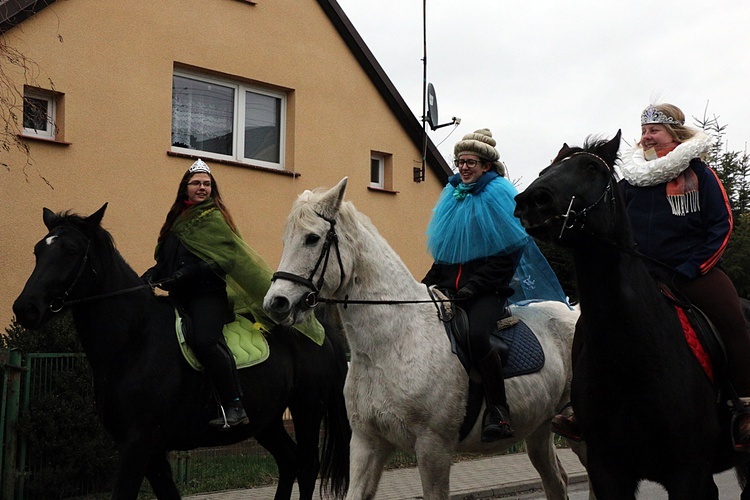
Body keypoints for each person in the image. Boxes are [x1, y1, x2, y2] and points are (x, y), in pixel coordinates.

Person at [552, 103, 750, 451]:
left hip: (692, 272)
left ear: (674, 135)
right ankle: (580, 410)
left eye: (654, 130)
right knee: (587, 325)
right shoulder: (630, 182)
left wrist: (695, 267)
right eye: (643, 130)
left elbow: (722, 226)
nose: (645, 136)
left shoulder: (701, 175)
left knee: (733, 320)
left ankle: (744, 408)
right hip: (640, 276)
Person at [142, 159, 326, 429]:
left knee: (204, 341)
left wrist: (191, 272)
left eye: (206, 184)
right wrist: (152, 274)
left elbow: (226, 259)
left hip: (208, 297)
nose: (201, 188)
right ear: (185, 188)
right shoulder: (176, 222)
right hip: (179, 297)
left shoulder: (213, 218)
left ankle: (234, 404)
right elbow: (169, 259)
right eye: (196, 183)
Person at [422, 128, 567, 442]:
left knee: (476, 336)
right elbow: (446, 250)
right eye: (460, 161)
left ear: (486, 165)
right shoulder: (454, 193)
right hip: (451, 288)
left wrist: (475, 286)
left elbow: (508, 251)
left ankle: (498, 411)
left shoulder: (497, 194)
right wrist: (427, 282)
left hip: (486, 292)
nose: (463, 167)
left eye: (470, 162)